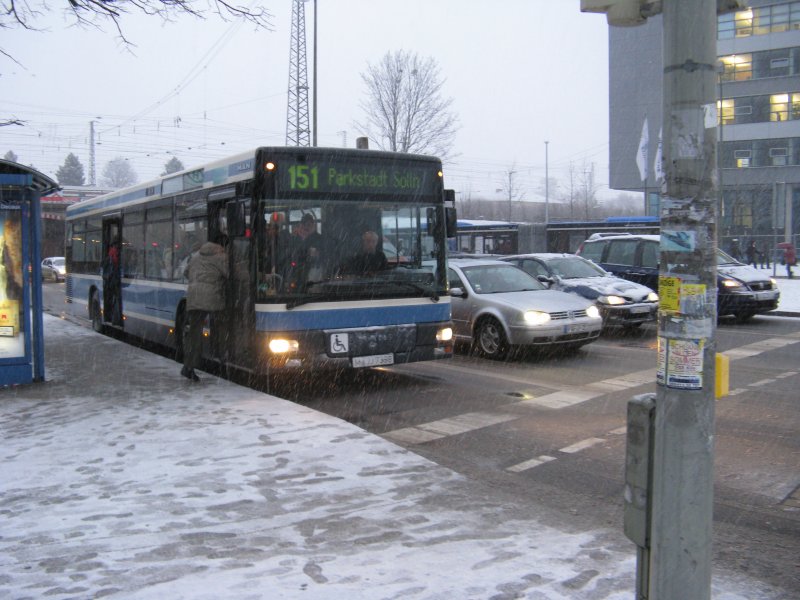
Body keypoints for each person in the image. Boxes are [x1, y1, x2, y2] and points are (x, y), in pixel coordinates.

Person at [182, 238, 228, 382]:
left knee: (195, 333)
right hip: (211, 296)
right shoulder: (221, 256)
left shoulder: (196, 256)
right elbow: (231, 275)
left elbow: (185, 272)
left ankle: (188, 367)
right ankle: (222, 358)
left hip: (193, 297)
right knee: (222, 325)